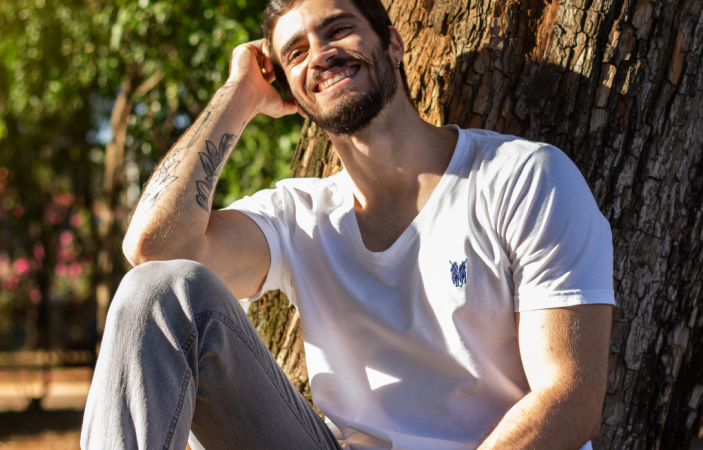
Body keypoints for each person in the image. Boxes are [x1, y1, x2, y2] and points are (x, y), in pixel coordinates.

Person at [81, 0, 615, 448]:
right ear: (289, 91)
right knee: (158, 290)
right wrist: (239, 94)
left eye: (338, 29)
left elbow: (569, 399)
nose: (321, 54)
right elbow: (154, 248)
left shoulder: (522, 178)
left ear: (393, 44)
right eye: (295, 52)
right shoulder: (298, 216)